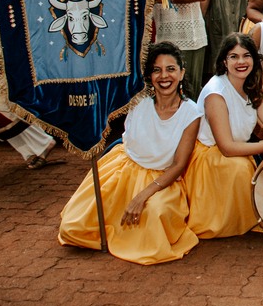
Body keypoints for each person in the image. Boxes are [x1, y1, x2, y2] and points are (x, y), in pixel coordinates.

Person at [58, 42, 201, 264]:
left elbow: (178, 165)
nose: (164, 76)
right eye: (157, 70)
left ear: (182, 72)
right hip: (121, 170)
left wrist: (143, 195)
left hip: (161, 180)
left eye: (171, 69)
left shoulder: (191, 112)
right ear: (149, 76)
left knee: (153, 218)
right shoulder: (136, 101)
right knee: (73, 229)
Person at [184, 33, 263, 239]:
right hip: (210, 157)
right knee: (242, 168)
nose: (241, 62)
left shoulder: (252, 84)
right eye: (233, 57)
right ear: (224, 62)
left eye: (246, 55)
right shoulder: (216, 93)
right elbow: (227, 148)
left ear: (254, 59)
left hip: (234, 150)